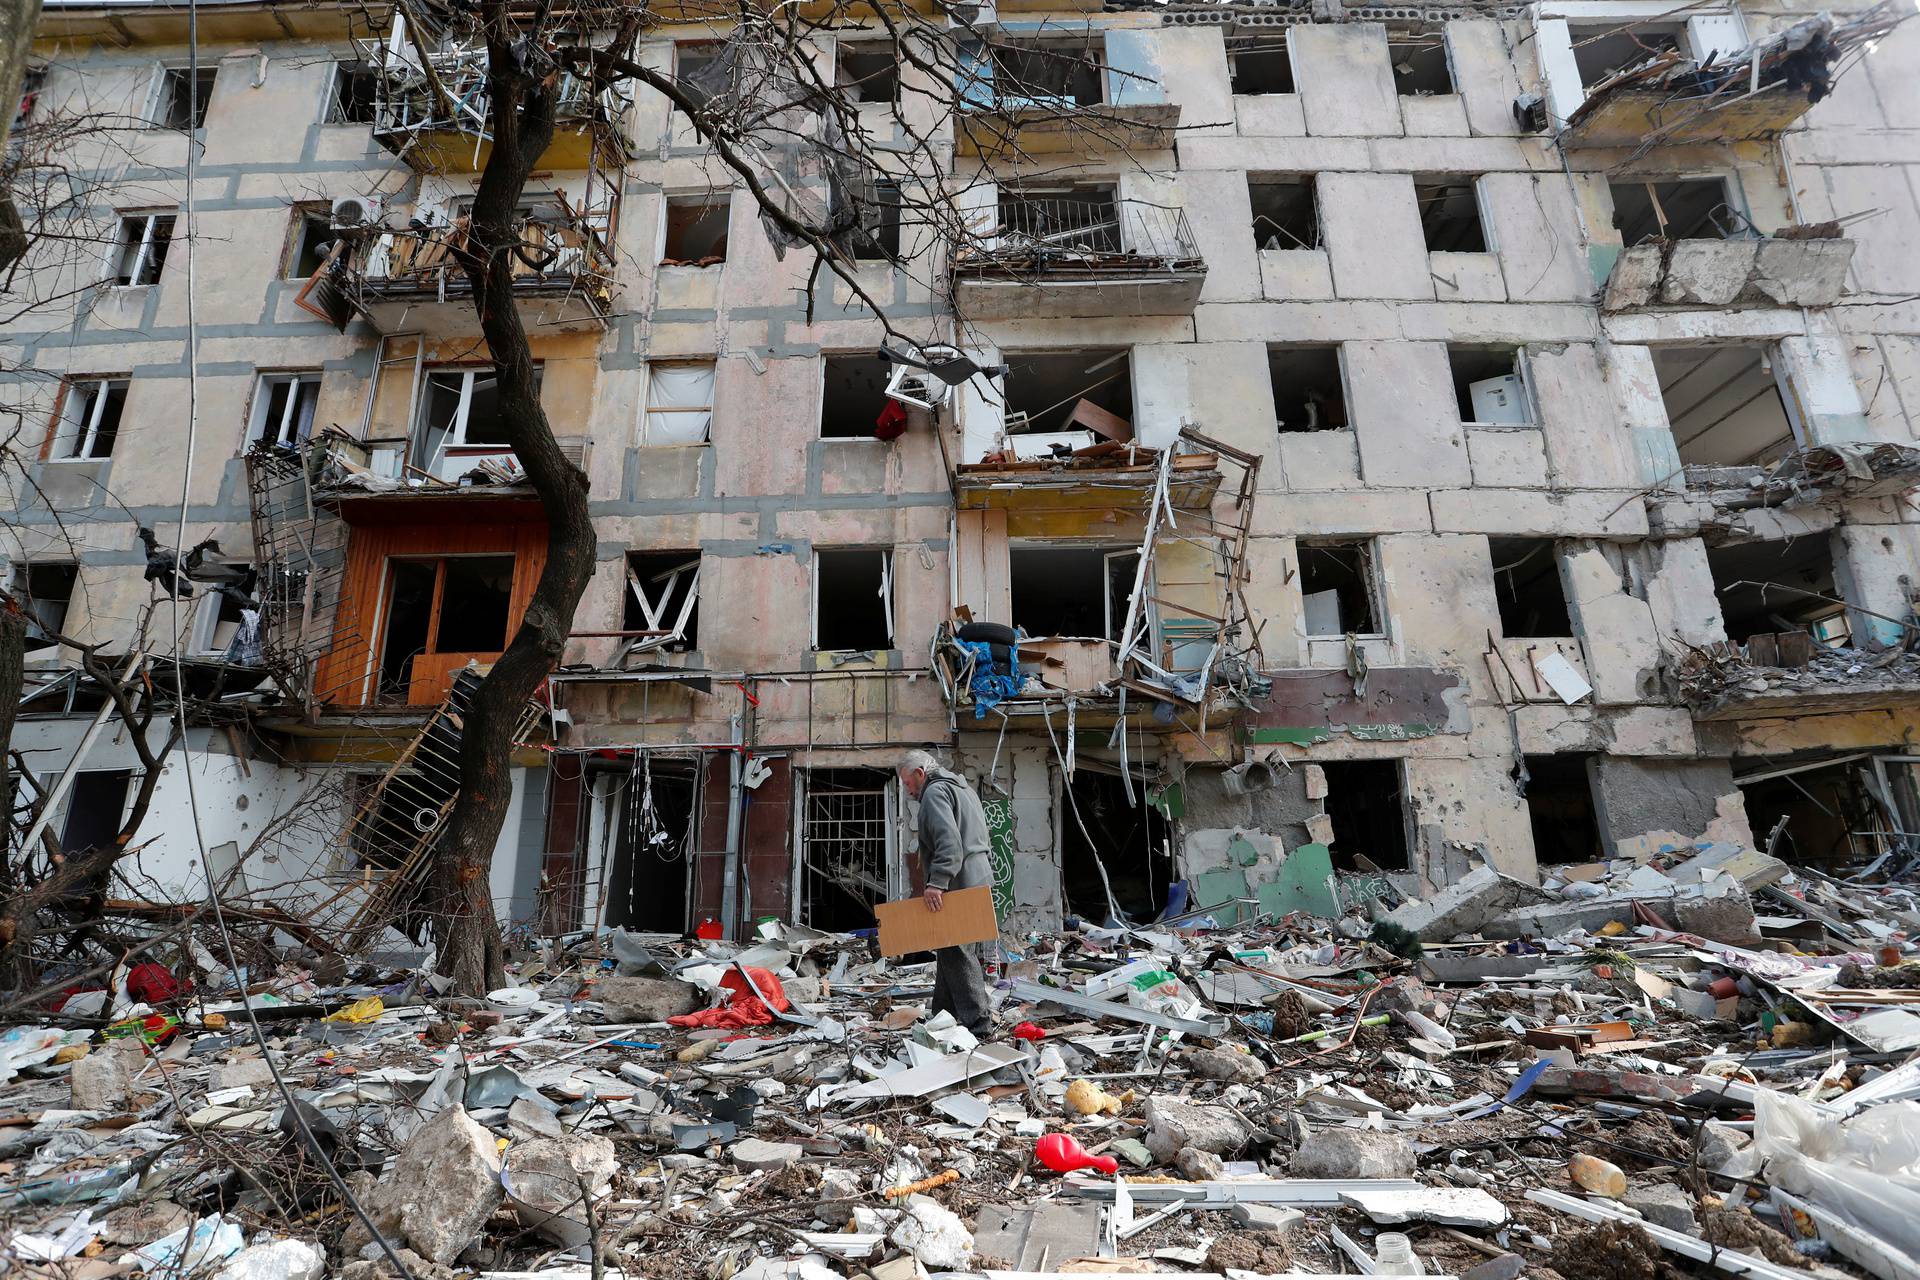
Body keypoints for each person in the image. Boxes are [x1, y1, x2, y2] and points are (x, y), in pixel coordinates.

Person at [897, 749, 994, 1036]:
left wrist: (936, 882)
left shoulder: (935, 794)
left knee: (957, 950)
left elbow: (949, 844)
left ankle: (979, 1025)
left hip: (958, 883)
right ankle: (944, 1016)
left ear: (919, 774)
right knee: (949, 948)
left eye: (907, 783)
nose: (908, 790)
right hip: (978, 879)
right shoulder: (962, 788)